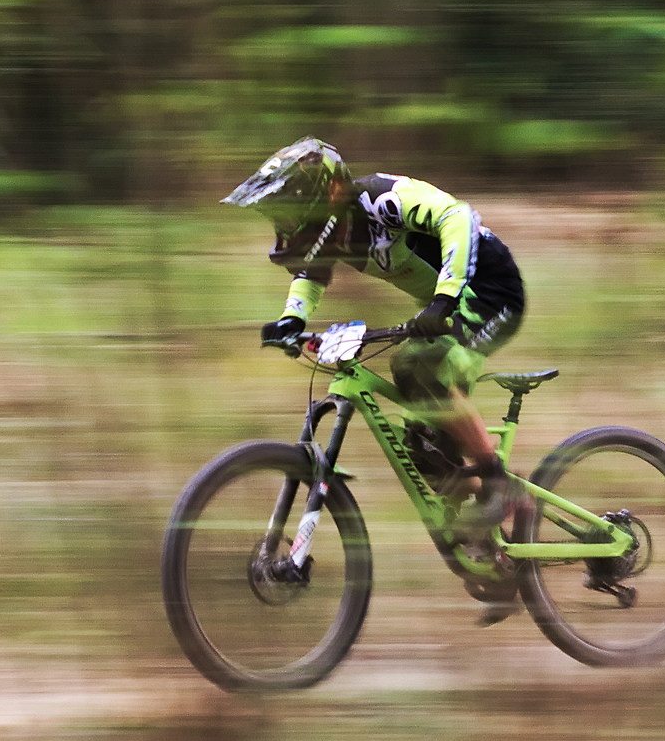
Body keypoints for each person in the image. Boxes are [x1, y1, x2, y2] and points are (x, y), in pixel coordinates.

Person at [222, 136, 527, 545]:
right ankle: (498, 550)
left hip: (490, 294)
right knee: (425, 448)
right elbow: (311, 275)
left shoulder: (381, 200)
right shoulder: (333, 235)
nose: (284, 226)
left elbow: (457, 217)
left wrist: (442, 299)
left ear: (324, 197)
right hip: (446, 306)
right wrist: (291, 320)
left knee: (416, 365)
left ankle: (499, 486)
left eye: (288, 214)